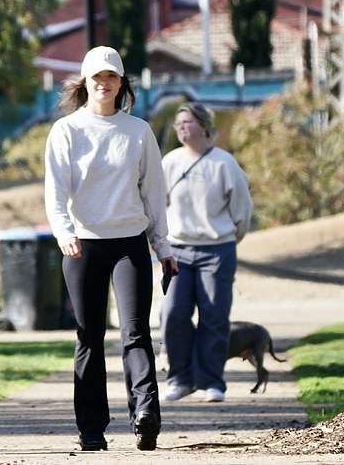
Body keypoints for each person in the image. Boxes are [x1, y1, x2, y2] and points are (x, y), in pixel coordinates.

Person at [44, 46, 177, 452]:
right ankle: (90, 428)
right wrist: (63, 231)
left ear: (122, 83)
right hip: (82, 246)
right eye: (97, 77)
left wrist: (162, 244)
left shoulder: (137, 131)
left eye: (112, 77)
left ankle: (145, 414)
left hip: (129, 244)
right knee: (89, 336)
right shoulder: (66, 131)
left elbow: (153, 193)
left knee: (135, 331)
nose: (104, 83)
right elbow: (55, 189)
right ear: (85, 82)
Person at [159, 102, 253, 403]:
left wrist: (227, 238)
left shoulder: (224, 164)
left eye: (187, 122)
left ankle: (212, 382)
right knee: (172, 313)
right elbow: (157, 205)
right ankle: (180, 378)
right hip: (178, 250)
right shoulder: (169, 163)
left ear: (203, 126)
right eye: (178, 124)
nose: (181, 128)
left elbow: (242, 211)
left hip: (217, 250)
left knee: (214, 316)